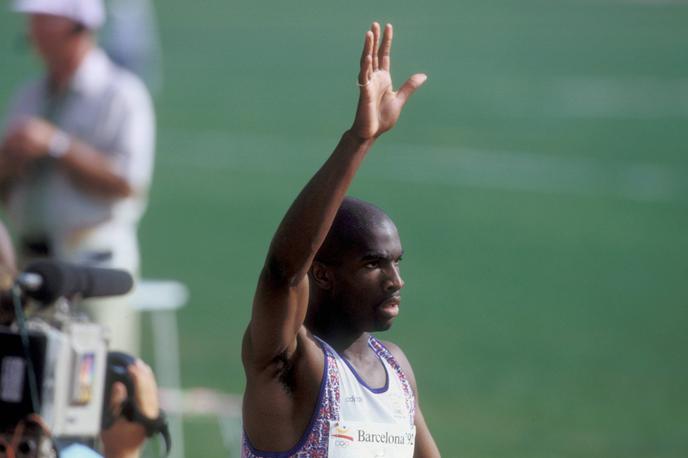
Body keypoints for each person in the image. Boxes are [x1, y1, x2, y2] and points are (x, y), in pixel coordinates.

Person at [242, 22, 440, 457]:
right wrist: (359, 140)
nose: (395, 280)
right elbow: (282, 272)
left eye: (396, 262)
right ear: (323, 273)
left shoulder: (397, 370)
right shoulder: (291, 364)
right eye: (373, 264)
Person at [0, 0, 156, 355]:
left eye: (44, 19)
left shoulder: (121, 95)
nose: (33, 29)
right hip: (31, 265)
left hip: (90, 268)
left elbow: (126, 183)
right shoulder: (29, 95)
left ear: (76, 25)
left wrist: (56, 145)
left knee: (92, 384)